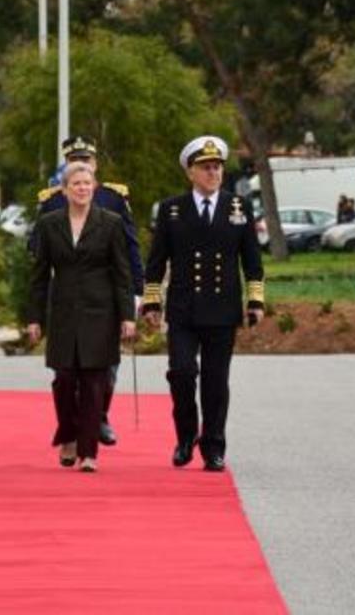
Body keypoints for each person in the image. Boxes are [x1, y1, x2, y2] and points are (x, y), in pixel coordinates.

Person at [142, 136, 265, 472]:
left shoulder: (238, 207)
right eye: (206, 167)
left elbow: (251, 259)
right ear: (191, 173)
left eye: (217, 167)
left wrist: (255, 300)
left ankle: (213, 446)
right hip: (183, 308)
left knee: (215, 381)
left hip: (222, 308)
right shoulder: (172, 209)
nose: (213, 173)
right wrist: (151, 302)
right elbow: (157, 260)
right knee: (181, 373)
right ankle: (186, 437)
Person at [33, 135, 143, 447]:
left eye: (87, 160)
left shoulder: (114, 198)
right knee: (66, 373)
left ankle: (99, 418)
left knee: (104, 367)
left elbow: (130, 249)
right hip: (68, 298)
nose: (81, 166)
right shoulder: (52, 201)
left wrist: (138, 292)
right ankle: (72, 426)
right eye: (74, 160)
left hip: (105, 297)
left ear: (95, 165)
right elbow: (38, 252)